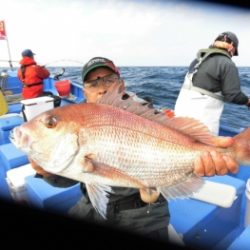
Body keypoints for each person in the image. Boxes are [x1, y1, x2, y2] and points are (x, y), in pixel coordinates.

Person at [30, 57, 239, 243]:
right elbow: (71, 175)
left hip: (143, 214)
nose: (101, 88)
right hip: (90, 208)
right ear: (84, 91)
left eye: (108, 80)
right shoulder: (78, 123)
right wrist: (45, 171)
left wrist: (208, 156)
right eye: (93, 83)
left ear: (121, 84)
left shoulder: (148, 115)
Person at [174, 31, 250, 135]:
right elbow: (233, 95)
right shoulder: (227, 64)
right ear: (232, 46)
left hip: (178, 118)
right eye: (234, 53)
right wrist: (247, 101)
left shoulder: (197, 60)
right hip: (201, 125)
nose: (232, 55)